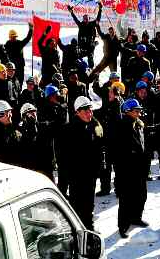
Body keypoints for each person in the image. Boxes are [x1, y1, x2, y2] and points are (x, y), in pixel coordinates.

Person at [59, 96, 105, 230]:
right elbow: (63, 158)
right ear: (77, 112)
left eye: (90, 110)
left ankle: (89, 228)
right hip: (76, 177)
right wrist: (64, 182)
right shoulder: (68, 130)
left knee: (89, 204)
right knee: (77, 207)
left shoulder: (94, 126)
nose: (89, 114)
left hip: (90, 174)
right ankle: (78, 231)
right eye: (85, 111)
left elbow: (100, 148)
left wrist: (100, 166)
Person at [112, 99, 150, 238]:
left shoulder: (139, 124)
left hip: (140, 167)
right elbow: (116, 151)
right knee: (126, 199)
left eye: (139, 110)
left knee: (141, 195)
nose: (139, 112)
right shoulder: (121, 126)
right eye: (136, 110)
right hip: (126, 169)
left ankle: (136, 217)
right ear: (127, 111)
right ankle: (123, 226)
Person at [35, 85, 67, 182]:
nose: (58, 96)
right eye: (56, 94)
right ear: (51, 96)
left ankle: (62, 190)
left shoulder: (59, 106)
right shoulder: (44, 109)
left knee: (63, 167)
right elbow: (50, 125)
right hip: (50, 143)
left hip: (61, 140)